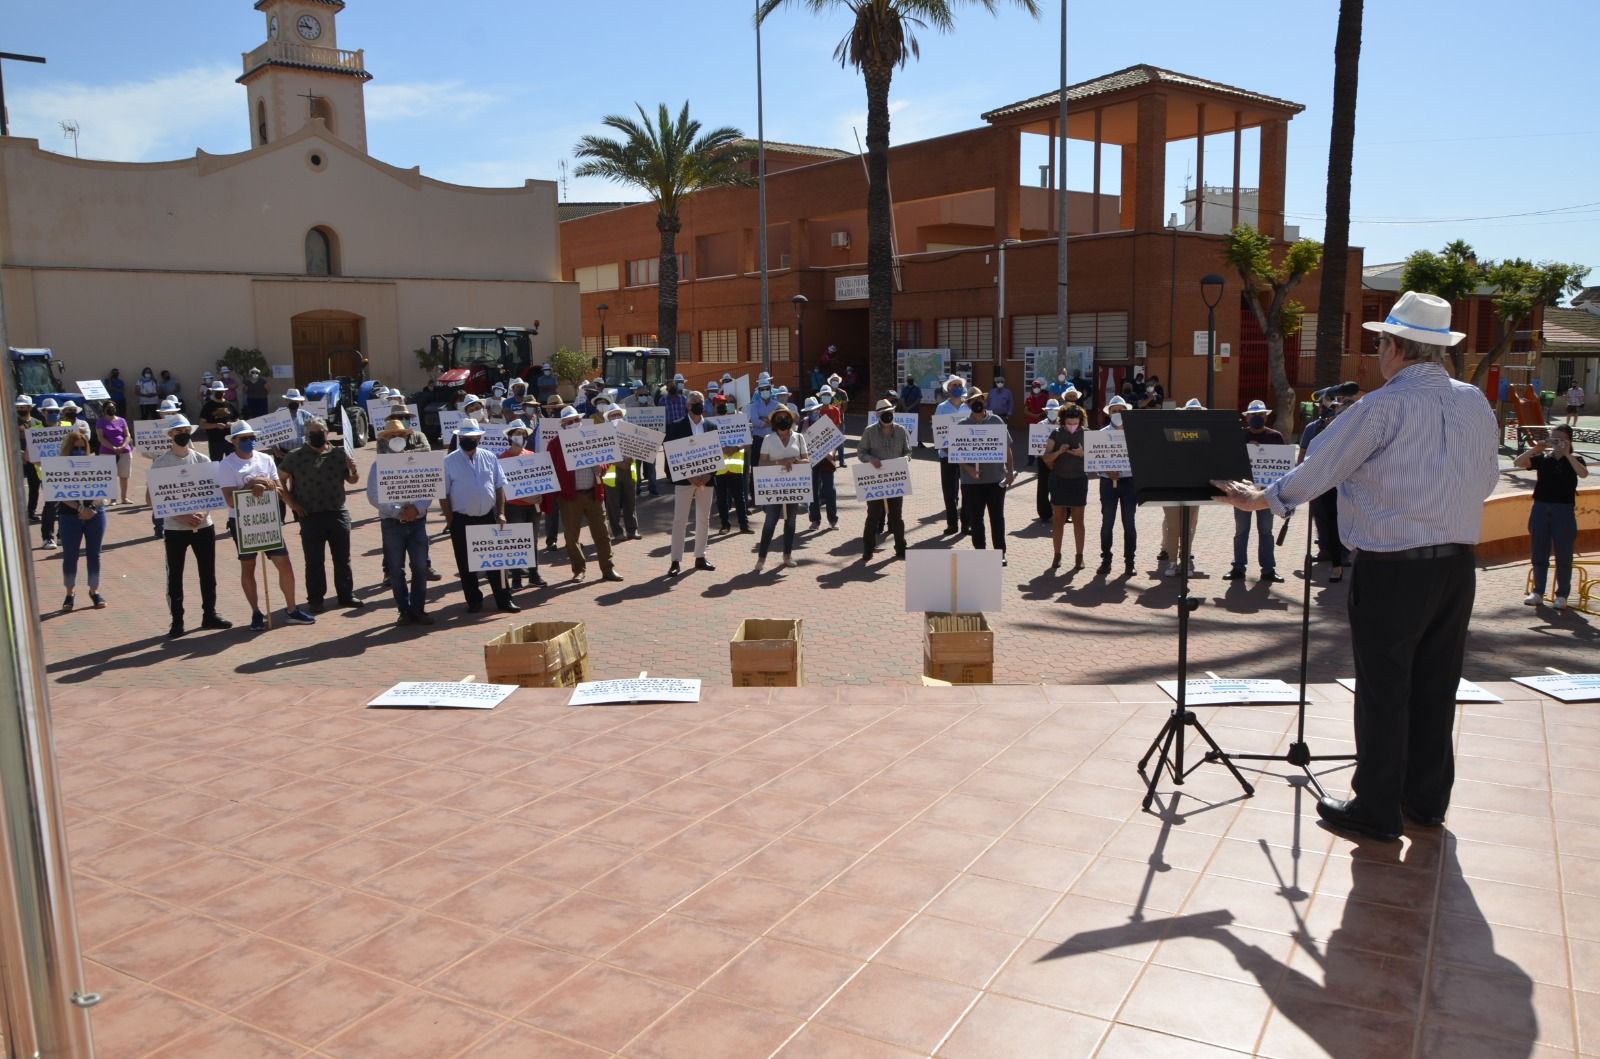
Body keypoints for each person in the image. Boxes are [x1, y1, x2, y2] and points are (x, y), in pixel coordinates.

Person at [1213, 289, 1499, 841]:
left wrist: (1260, 499)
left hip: (1393, 566)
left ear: (1393, 348)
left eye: (1380, 344)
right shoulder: (1473, 403)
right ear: (1438, 351)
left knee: (1385, 688)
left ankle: (1377, 807)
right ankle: (1426, 800)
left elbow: (1321, 467)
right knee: (1437, 685)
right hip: (1457, 565)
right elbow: (1486, 479)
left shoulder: (1380, 406)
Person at [216, 421, 314, 631]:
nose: (249, 442)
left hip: (268, 519)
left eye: (252, 438)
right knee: (248, 566)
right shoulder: (227, 465)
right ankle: (256, 612)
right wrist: (251, 485)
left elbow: (279, 488)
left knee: (284, 563)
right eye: (244, 439)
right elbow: (230, 500)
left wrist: (270, 486)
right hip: (243, 522)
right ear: (234, 441)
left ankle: (291, 608)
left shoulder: (266, 459)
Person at [149, 415, 233, 638]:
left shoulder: (202, 460)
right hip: (175, 529)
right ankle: (177, 621)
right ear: (170, 435)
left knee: (208, 573)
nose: (183, 435)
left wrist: (201, 513)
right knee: (175, 576)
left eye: (186, 430)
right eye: (178, 432)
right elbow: (153, 499)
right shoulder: (160, 463)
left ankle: (210, 614)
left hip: (204, 526)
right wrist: (182, 515)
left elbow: (211, 493)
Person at [278, 417, 362, 612]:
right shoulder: (295, 456)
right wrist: (292, 503)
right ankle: (315, 599)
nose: (317, 436)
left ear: (327, 433)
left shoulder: (340, 453)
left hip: (337, 512)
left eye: (321, 432)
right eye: (313, 433)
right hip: (310, 515)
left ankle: (346, 595)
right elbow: (279, 480)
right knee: (314, 561)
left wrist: (353, 469)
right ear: (307, 435)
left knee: (342, 558)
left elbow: (353, 480)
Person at [440, 418, 518, 612]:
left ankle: (504, 599)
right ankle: (474, 601)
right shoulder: (449, 461)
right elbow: (443, 494)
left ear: (479, 438)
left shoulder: (490, 457)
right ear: (459, 437)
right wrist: (451, 520)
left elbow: (499, 487)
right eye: (465, 437)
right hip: (462, 518)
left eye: (473, 437)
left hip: (488, 516)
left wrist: (500, 513)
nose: (469, 440)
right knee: (466, 564)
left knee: (496, 562)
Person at [545, 407, 623, 583]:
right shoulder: (555, 444)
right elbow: (550, 469)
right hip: (570, 498)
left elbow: (606, 459)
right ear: (563, 424)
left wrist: (601, 468)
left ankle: (608, 569)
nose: (574, 424)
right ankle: (579, 570)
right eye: (569, 421)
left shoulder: (593, 436)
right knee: (571, 537)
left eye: (576, 420)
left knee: (602, 534)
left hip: (594, 494)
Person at [1515, 423, 1589, 609]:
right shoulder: (1543, 459)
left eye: (1560, 440)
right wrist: (1536, 448)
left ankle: (1562, 594)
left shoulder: (1575, 459)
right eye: (1553, 439)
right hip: (1540, 508)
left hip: (1563, 511)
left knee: (1564, 555)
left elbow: (1583, 473)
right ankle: (1538, 591)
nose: (1556, 443)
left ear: (1568, 441)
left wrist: (1567, 455)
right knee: (1539, 552)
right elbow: (1518, 462)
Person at [1225, 400, 1285, 584]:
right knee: (1241, 531)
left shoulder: (1276, 437)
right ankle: (1238, 568)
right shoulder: (1238, 436)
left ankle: (1268, 570)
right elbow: (1230, 460)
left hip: (1266, 493)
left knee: (1266, 531)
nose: (1256, 418)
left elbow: (1283, 465)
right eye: (1252, 415)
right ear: (1247, 417)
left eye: (1259, 415)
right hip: (1242, 491)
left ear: (1266, 416)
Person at [957, 388, 1015, 565]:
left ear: (984, 401)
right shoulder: (961, 426)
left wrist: (1010, 472)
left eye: (979, 399)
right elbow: (956, 454)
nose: (976, 403)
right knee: (976, 519)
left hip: (996, 479)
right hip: (971, 482)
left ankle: (1000, 553)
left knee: (997, 518)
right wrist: (969, 470)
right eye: (972, 400)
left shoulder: (996, 421)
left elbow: (1007, 449)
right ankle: (980, 552)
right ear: (967, 404)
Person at [1299, 390, 1350, 582]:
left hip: (1342, 484)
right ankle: (1326, 551)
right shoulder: (1313, 428)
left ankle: (1341, 557)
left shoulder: (1345, 429)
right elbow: (1304, 453)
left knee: (1340, 520)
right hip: (1320, 483)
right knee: (1322, 518)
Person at [665, 390, 717, 577]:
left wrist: (710, 474)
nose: (698, 404)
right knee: (680, 519)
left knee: (704, 519)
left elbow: (715, 453)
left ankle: (700, 557)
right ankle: (675, 560)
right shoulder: (677, 426)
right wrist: (688, 476)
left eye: (701, 401)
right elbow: (672, 455)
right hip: (685, 481)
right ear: (687, 405)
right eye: (695, 401)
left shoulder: (711, 426)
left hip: (706, 481)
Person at [55, 427, 107, 612]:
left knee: (94, 554)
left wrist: (91, 508)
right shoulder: (59, 466)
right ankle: (69, 593)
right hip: (69, 516)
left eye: (81, 447)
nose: (78, 450)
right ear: (68, 448)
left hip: (95, 515)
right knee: (70, 555)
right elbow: (58, 493)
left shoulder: (96, 464)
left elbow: (104, 490)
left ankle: (94, 591)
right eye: (74, 447)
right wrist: (79, 508)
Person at [753, 405, 809, 573]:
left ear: (791, 420)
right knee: (770, 522)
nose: (782, 420)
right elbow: (761, 463)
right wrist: (780, 462)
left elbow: (806, 460)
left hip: (793, 487)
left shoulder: (799, 438)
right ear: (774, 422)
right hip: (773, 487)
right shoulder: (768, 439)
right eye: (779, 418)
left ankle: (787, 555)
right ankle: (761, 558)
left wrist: (794, 460)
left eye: (785, 417)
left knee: (790, 522)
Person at [496, 419, 548, 592]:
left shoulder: (531, 455)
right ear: (510, 437)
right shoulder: (501, 459)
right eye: (517, 434)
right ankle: (517, 578)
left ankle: (534, 575)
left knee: (532, 542)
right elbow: (503, 488)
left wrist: (539, 494)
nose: (521, 437)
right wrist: (525, 499)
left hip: (532, 507)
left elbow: (539, 479)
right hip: (514, 507)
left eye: (523, 434)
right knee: (517, 542)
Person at [858, 398, 911, 561]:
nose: (887, 415)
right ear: (877, 415)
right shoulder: (869, 431)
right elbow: (861, 452)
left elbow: (908, 452)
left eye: (890, 412)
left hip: (895, 480)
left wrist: (905, 460)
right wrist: (871, 459)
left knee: (896, 517)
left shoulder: (901, 431)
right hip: (875, 481)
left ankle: (901, 548)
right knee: (873, 516)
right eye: (883, 413)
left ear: (893, 413)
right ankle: (868, 549)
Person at [1161, 398, 1207, 577]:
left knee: (1189, 526)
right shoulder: (1170, 433)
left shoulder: (1205, 435)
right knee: (1172, 525)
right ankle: (1172, 561)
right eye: (1190, 412)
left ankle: (1186, 560)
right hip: (1171, 485)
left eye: (1196, 413)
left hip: (1195, 487)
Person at [1041, 402, 1088, 569]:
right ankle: (1057, 555)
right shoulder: (1056, 433)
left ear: (1081, 421)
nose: (1072, 426)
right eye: (1069, 423)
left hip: (1078, 480)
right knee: (1058, 519)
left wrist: (1084, 454)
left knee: (1078, 520)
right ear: (1063, 421)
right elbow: (1045, 458)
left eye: (1076, 423)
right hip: (1059, 480)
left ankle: (1079, 556)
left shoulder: (1087, 434)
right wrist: (1059, 452)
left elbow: (1098, 459)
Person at [1097, 395, 1137, 577]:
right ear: (1109, 413)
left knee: (1129, 524)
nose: (1118, 414)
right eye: (1114, 411)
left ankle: (1130, 561)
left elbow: (1141, 459)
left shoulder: (1135, 433)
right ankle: (1106, 560)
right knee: (1107, 524)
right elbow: (1094, 460)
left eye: (1121, 411)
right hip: (1107, 483)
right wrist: (1107, 470)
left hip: (1129, 483)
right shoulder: (1101, 434)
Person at [600, 405, 640, 541]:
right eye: (613, 415)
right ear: (608, 418)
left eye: (618, 414)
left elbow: (638, 448)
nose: (616, 417)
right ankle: (617, 532)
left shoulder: (630, 430)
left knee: (630, 502)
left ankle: (632, 530)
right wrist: (620, 463)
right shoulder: (603, 433)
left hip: (629, 471)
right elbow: (602, 453)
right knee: (613, 505)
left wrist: (628, 461)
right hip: (611, 473)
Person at [934, 378, 968, 535]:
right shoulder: (941, 408)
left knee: (968, 490)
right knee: (950, 492)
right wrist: (948, 449)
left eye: (960, 385)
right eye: (955, 385)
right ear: (948, 388)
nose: (958, 388)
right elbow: (939, 431)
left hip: (967, 456)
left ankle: (966, 524)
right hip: (947, 455)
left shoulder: (968, 406)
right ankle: (952, 524)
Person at [802, 398, 838, 530]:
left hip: (826, 462)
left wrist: (831, 453)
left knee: (830, 491)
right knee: (813, 491)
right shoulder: (804, 424)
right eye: (810, 411)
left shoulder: (826, 422)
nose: (813, 413)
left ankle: (833, 520)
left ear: (818, 409)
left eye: (815, 410)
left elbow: (834, 440)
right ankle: (815, 520)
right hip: (811, 463)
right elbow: (800, 442)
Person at [745, 373, 780, 503]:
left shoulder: (776, 405)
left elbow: (777, 420)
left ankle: (771, 493)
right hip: (758, 439)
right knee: (756, 467)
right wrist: (768, 421)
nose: (765, 391)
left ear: (770, 390)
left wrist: (764, 420)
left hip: (772, 439)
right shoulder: (754, 405)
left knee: (772, 466)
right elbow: (754, 420)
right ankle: (755, 495)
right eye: (762, 389)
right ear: (758, 391)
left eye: (767, 389)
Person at [93, 401, 133, 505]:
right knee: (110, 476)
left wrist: (123, 446)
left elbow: (128, 435)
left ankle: (124, 498)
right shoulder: (100, 422)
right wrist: (113, 448)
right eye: (109, 408)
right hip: (107, 452)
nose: (111, 409)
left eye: (113, 407)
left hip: (124, 451)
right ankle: (113, 499)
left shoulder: (122, 420)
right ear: (104, 410)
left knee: (124, 475)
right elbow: (101, 438)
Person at [199, 381, 241, 462]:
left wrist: (232, 424)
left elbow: (238, 421)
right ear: (213, 392)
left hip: (230, 440)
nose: (219, 393)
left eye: (221, 391)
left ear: (224, 392)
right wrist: (216, 425)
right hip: (215, 441)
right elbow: (202, 424)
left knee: (233, 463)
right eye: (217, 391)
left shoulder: (230, 405)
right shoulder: (208, 406)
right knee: (216, 465)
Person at [1034, 398, 1060, 523]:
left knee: (1062, 487)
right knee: (1043, 487)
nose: (1052, 412)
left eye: (1054, 410)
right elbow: (1036, 446)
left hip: (1060, 460)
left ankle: (1065, 513)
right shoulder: (1040, 426)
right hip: (1043, 461)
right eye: (1050, 410)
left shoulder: (1063, 425)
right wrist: (1047, 461)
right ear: (1046, 411)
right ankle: (1044, 513)